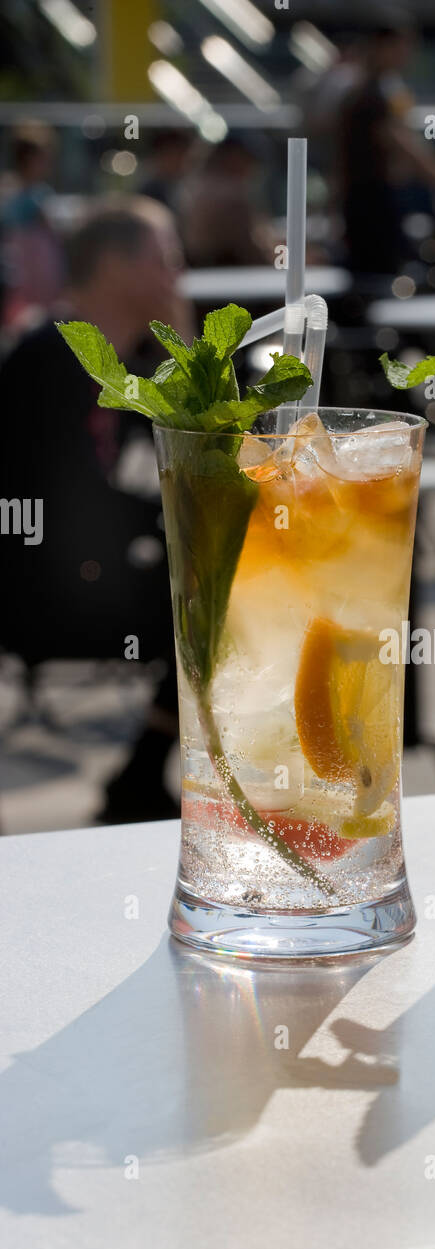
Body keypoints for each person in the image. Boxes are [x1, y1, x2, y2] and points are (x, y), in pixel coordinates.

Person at [0, 196, 191, 822]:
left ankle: (142, 775)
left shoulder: (129, 362)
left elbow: (205, 449)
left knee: (221, 590)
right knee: (209, 605)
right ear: (115, 266)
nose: (177, 277)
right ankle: (139, 777)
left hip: (96, 570)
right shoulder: (47, 359)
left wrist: (184, 344)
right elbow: (65, 509)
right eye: (166, 260)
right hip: (38, 591)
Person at [334, 11, 435, 274]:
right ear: (381, 46)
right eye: (401, 46)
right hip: (373, 202)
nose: (407, 54)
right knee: (378, 278)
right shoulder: (371, 96)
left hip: (371, 200)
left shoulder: (373, 91)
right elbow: (409, 148)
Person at [0, 123, 65, 332]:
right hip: (29, 263)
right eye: (43, 160)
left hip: (36, 265)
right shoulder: (19, 192)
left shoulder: (36, 192)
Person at [176, 134, 274, 267]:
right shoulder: (232, 195)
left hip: (203, 270)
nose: (252, 168)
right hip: (226, 274)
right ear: (234, 157)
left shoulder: (195, 185)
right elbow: (252, 249)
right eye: (249, 160)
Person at [138, 127, 195, 212]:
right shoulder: (150, 190)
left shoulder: (189, 185)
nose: (181, 161)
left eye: (183, 154)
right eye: (174, 155)